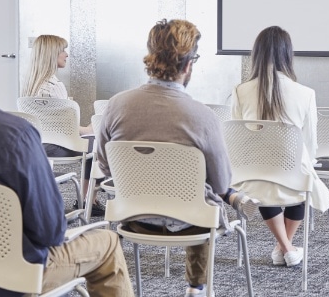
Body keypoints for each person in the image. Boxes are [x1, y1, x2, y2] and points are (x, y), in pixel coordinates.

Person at [0, 9, 134, 296]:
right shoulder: (13, 136)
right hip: (11, 276)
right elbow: (49, 231)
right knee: (107, 243)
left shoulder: (23, 122)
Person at [96, 18, 259, 297]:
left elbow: (104, 163)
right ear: (188, 65)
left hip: (133, 216)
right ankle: (196, 287)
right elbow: (221, 182)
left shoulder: (115, 106)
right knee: (207, 196)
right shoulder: (203, 117)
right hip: (191, 220)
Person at [231, 26, 329, 268]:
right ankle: (286, 247)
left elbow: (235, 137)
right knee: (301, 181)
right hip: (292, 173)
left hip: (250, 174)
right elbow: (310, 142)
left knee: (268, 185)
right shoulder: (305, 94)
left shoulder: (241, 91)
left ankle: (282, 246)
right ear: (288, 54)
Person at [22, 35, 102, 216]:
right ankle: (89, 198)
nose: (66, 54)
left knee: (92, 138)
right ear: (52, 54)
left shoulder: (30, 86)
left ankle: (89, 197)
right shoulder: (55, 86)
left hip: (38, 145)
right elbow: (67, 129)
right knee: (100, 141)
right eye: (63, 50)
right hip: (60, 147)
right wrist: (89, 130)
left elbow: (53, 124)